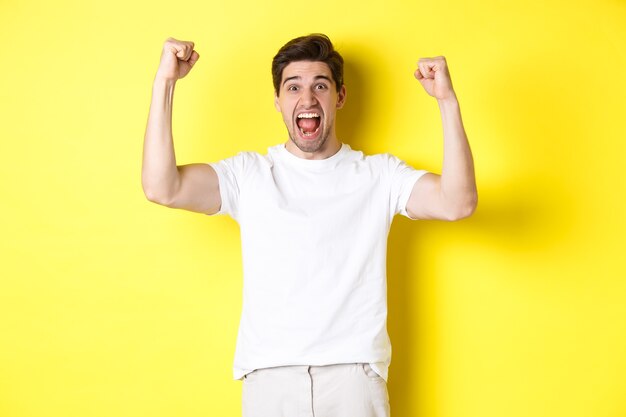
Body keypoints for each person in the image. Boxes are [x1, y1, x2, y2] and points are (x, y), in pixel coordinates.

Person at [142, 33, 477, 417]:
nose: (307, 99)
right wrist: (165, 83)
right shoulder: (249, 175)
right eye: (293, 87)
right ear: (278, 101)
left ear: (340, 97)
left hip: (354, 379)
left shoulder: (379, 176)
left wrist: (447, 102)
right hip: (270, 379)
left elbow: (458, 202)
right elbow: (161, 186)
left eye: (320, 85)